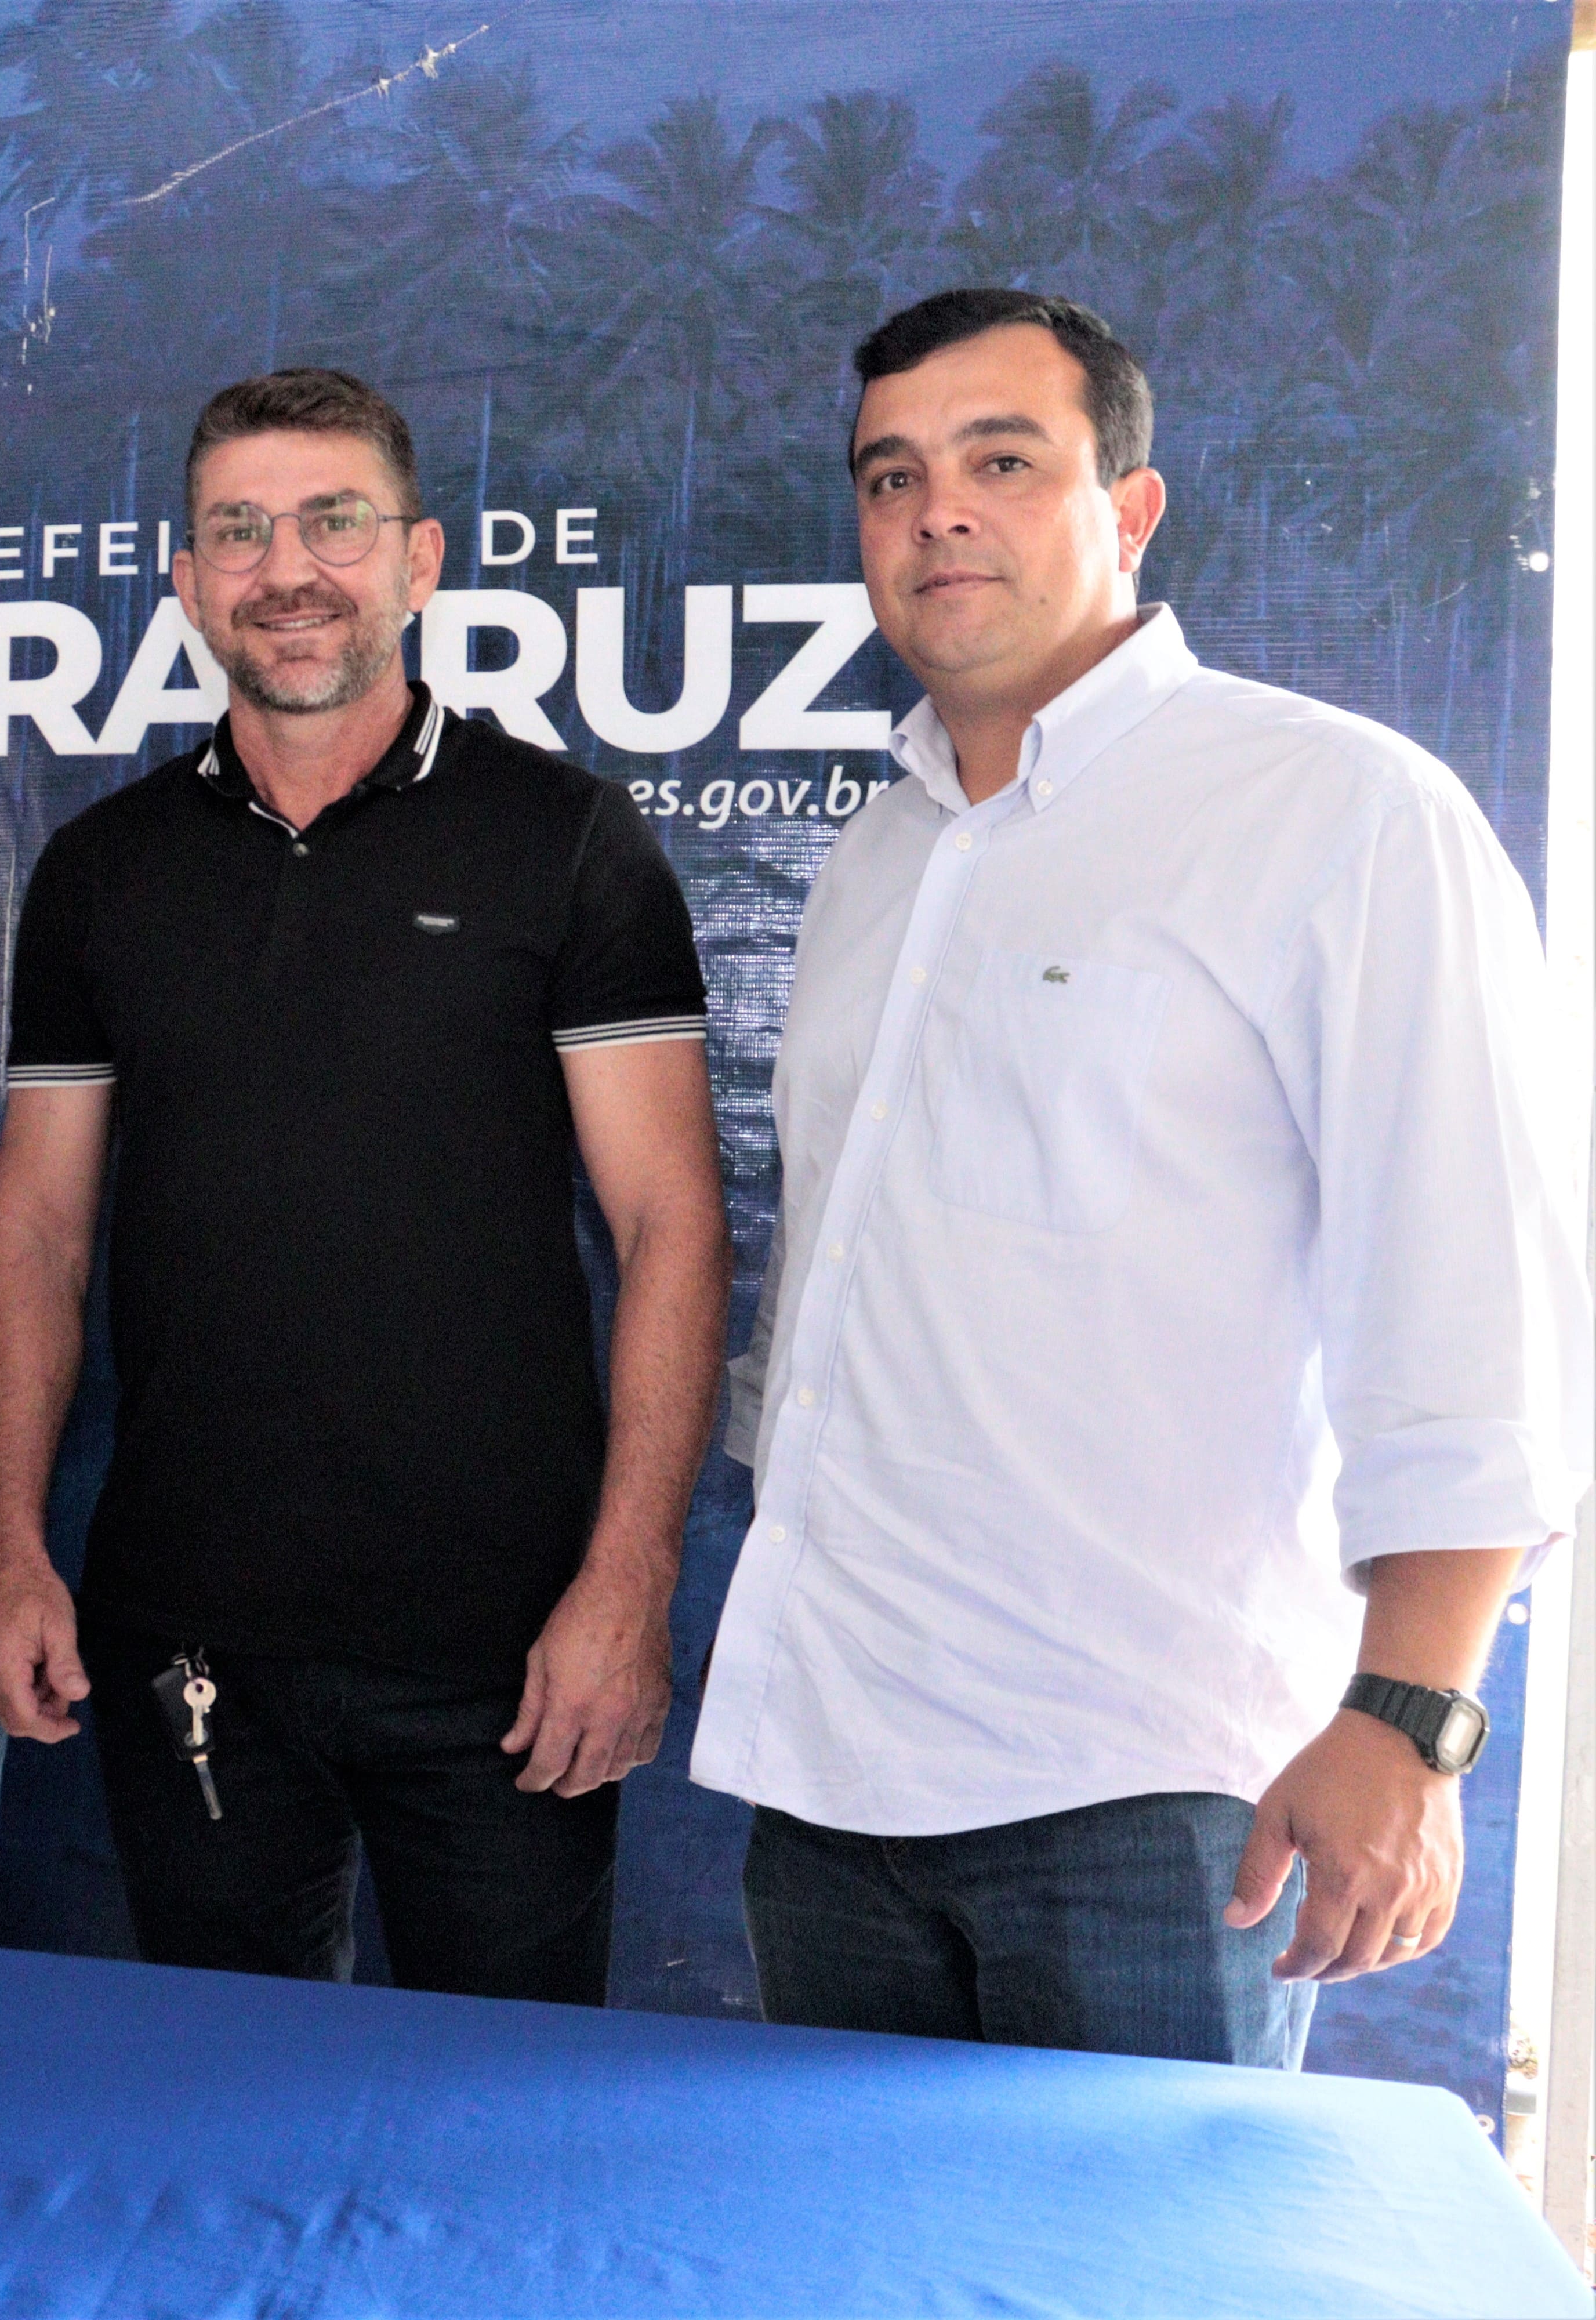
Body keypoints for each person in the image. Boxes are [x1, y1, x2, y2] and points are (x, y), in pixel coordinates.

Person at [693, 289, 1590, 2065]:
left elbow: (1475, 1303)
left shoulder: (1340, 814)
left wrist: (1411, 1717)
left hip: (1156, 1803)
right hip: (829, 1786)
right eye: (892, 475)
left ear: (1131, 508)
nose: (938, 509)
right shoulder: (882, 846)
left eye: (1002, 459)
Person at [0, 368, 731, 2000]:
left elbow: (671, 1224)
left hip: (511, 1651)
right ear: (183, 582)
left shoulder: (569, 839)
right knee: (230, 2119)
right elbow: (35, 1229)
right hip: (192, 1642)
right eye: (236, 533)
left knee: (512, 2131)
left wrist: (627, 1585)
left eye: (333, 523)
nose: (285, 569)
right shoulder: (106, 871)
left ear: (421, 560)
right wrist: (15, 1547)